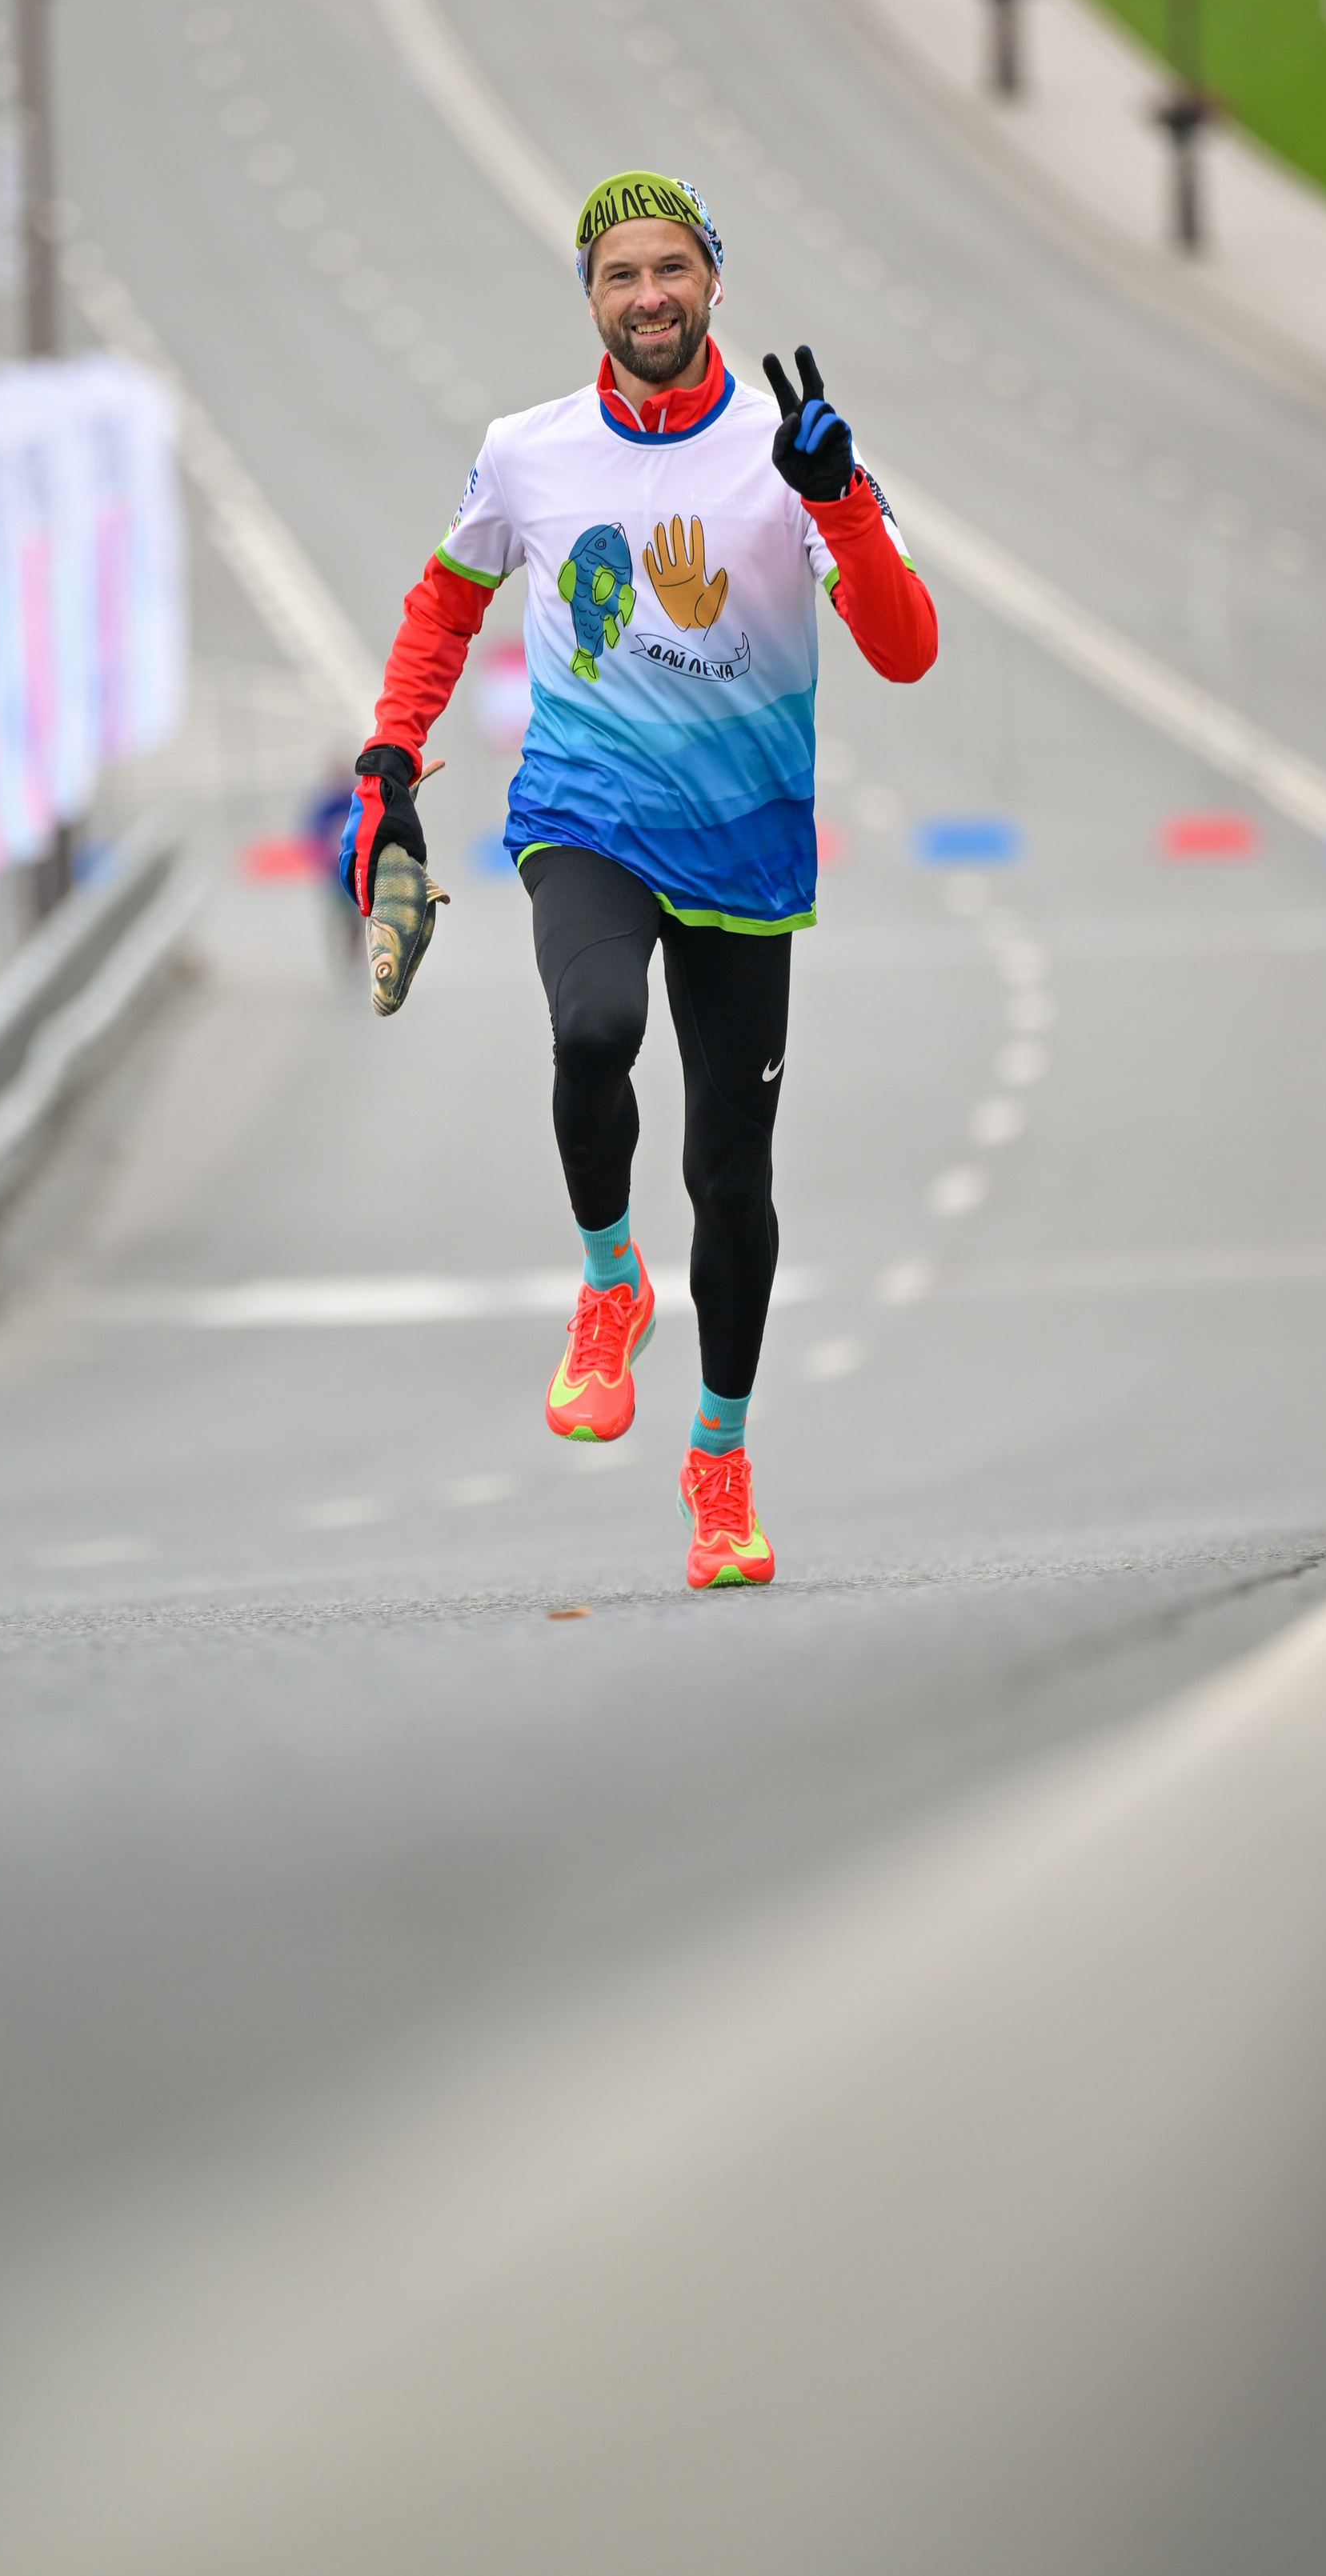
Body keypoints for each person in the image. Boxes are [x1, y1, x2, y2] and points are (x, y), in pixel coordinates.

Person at [339, 170, 937, 1590]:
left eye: (672, 269)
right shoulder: (528, 453)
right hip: (587, 814)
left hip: (746, 845)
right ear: (592, 297)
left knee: (732, 1181)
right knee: (594, 1030)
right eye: (621, 276)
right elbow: (445, 602)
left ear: (715, 282)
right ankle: (611, 1283)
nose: (649, 297)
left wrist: (841, 503)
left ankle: (719, 1463)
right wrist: (389, 754)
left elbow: (906, 649)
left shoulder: (793, 452)